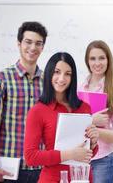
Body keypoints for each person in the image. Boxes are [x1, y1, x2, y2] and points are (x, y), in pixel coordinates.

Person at [24, 52, 99, 183]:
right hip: (53, 179)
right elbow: (31, 157)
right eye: (57, 72)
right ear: (48, 74)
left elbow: (88, 154)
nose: (62, 78)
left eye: (67, 74)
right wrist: (70, 154)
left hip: (83, 178)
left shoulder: (85, 108)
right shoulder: (37, 111)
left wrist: (93, 143)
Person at [0, 21, 48, 182]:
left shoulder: (48, 82)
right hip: (9, 170)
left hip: (40, 168)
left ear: (42, 47)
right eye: (28, 42)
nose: (33, 47)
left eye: (38, 43)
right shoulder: (1, 79)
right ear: (19, 43)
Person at [78, 40, 113, 183]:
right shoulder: (79, 89)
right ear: (87, 61)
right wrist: (92, 120)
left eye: (102, 58)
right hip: (80, 157)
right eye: (93, 58)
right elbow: (71, 126)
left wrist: (96, 131)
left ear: (108, 60)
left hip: (103, 160)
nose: (97, 63)